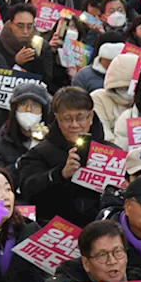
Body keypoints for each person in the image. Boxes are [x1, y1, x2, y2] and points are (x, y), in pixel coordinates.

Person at [16, 86, 108, 227]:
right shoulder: (39, 154)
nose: (75, 124)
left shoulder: (110, 151)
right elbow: (28, 189)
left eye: (80, 117)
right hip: (56, 230)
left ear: (91, 117)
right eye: (67, 118)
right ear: (57, 119)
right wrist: (61, 174)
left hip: (100, 231)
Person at [0, 81, 52, 177]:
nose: (28, 109)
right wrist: (19, 165)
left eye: (35, 105)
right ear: (14, 109)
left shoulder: (53, 142)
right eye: (23, 104)